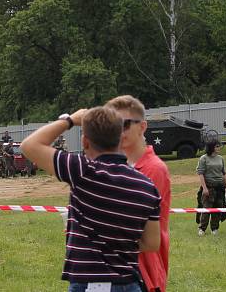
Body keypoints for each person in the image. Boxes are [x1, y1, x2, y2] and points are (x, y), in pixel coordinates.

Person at [21, 106, 161, 292]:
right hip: (129, 284)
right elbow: (152, 243)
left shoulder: (82, 170)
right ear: (121, 140)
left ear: (85, 142)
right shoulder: (147, 187)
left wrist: (70, 120)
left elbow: (29, 146)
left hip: (88, 284)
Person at [108, 95, 172, 292]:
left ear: (142, 127)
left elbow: (136, 225)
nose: (119, 131)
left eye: (125, 124)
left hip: (143, 271)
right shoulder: (114, 165)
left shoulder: (153, 169)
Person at [196, 140, 226, 237]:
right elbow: (200, 173)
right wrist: (205, 188)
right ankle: (202, 228)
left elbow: (224, 173)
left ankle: (214, 228)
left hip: (219, 187)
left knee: (218, 209)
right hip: (209, 187)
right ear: (212, 147)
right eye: (217, 146)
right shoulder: (204, 158)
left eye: (219, 146)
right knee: (206, 209)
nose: (219, 148)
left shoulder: (221, 158)